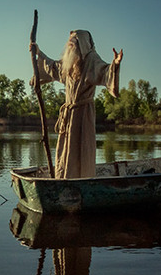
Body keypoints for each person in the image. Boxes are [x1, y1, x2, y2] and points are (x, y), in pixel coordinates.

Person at [30, 29, 122, 179]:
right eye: (70, 42)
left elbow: (105, 72)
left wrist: (115, 64)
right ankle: (64, 177)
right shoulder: (69, 62)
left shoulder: (91, 60)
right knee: (65, 151)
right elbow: (53, 67)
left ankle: (82, 179)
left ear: (83, 44)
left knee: (82, 149)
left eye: (74, 42)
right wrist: (39, 53)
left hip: (83, 114)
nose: (70, 45)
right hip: (68, 115)